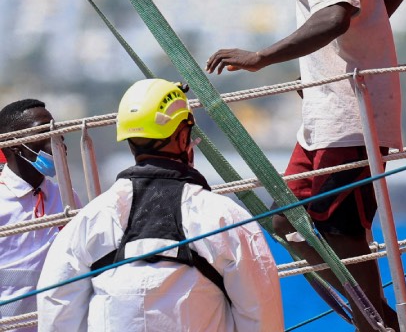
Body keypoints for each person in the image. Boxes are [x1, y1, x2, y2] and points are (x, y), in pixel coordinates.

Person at [206, 0, 405, 331]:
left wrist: (262, 57)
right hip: (325, 120)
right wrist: (329, 62)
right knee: (285, 222)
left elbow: (337, 14)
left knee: (343, 231)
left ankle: (375, 322)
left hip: (349, 122)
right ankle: (374, 317)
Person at [37, 79, 282, 331]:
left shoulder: (89, 221)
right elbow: (262, 317)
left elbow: (56, 310)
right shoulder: (224, 218)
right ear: (182, 136)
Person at [0, 100, 69, 330]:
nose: (57, 138)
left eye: (55, 129)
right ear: (15, 146)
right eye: (44, 131)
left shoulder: (68, 197)